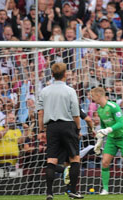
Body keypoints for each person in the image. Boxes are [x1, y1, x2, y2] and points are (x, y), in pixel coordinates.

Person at [36, 63, 83, 200]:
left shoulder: (44, 91)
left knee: (51, 160)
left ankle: (49, 193)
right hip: (68, 125)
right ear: (65, 74)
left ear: (52, 75)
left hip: (52, 127)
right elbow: (75, 113)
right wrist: (78, 128)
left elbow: (40, 113)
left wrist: (41, 130)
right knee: (75, 158)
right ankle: (72, 191)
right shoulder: (70, 91)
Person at [89, 87, 123, 195]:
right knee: (104, 162)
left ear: (99, 96)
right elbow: (103, 126)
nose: (92, 99)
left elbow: (121, 123)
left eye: (93, 96)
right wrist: (100, 140)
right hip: (111, 139)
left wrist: (108, 129)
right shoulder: (99, 110)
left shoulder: (113, 106)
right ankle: (105, 189)